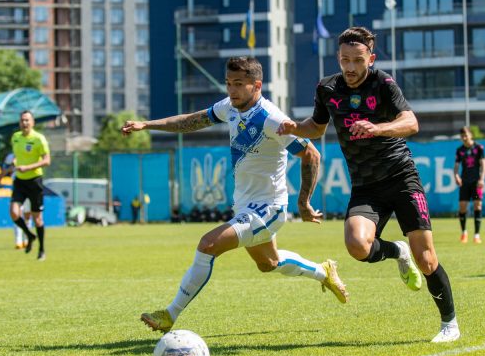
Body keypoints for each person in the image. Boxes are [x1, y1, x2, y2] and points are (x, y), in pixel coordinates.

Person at [121, 56, 348, 332]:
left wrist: (304, 202)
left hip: (268, 209)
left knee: (208, 245)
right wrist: (147, 125)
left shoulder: (270, 118)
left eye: (239, 84)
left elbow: (311, 153)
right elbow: (191, 121)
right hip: (245, 206)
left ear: (257, 85)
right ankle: (324, 271)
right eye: (229, 83)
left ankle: (170, 314)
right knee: (268, 263)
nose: (232, 90)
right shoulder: (229, 107)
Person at [278, 27, 460, 343]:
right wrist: (294, 127)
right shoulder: (327, 88)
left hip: (402, 179)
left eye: (357, 60)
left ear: (371, 59)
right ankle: (397, 250)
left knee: (426, 259)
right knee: (357, 247)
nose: (350, 67)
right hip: (366, 186)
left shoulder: (383, 83)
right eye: (344, 60)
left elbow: (411, 122)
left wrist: (377, 128)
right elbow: (316, 127)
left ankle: (449, 324)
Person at [0, 111, 51, 261]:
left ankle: (41, 249)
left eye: (27, 120)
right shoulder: (15, 137)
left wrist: (28, 167)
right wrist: (15, 163)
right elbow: (17, 156)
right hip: (20, 181)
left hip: (34, 181)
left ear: (33, 122)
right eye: (22, 120)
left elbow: (47, 161)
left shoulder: (39, 139)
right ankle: (29, 235)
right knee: (14, 213)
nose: (24, 123)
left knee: (37, 219)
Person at [0, 153, 33, 249]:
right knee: (16, 214)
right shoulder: (10, 157)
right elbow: (3, 172)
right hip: (18, 190)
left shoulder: (29, 153)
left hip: (30, 189)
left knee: (27, 215)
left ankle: (27, 239)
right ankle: (18, 241)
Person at [454, 126, 485, 244]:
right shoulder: (460, 150)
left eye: (466, 135)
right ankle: (464, 233)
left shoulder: (479, 148)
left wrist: (482, 179)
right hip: (465, 183)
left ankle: (477, 235)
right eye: (462, 136)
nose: (464, 138)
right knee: (462, 207)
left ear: (471, 135)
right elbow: (456, 166)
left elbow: (483, 165)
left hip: (476, 184)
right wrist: (456, 175)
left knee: (478, 205)